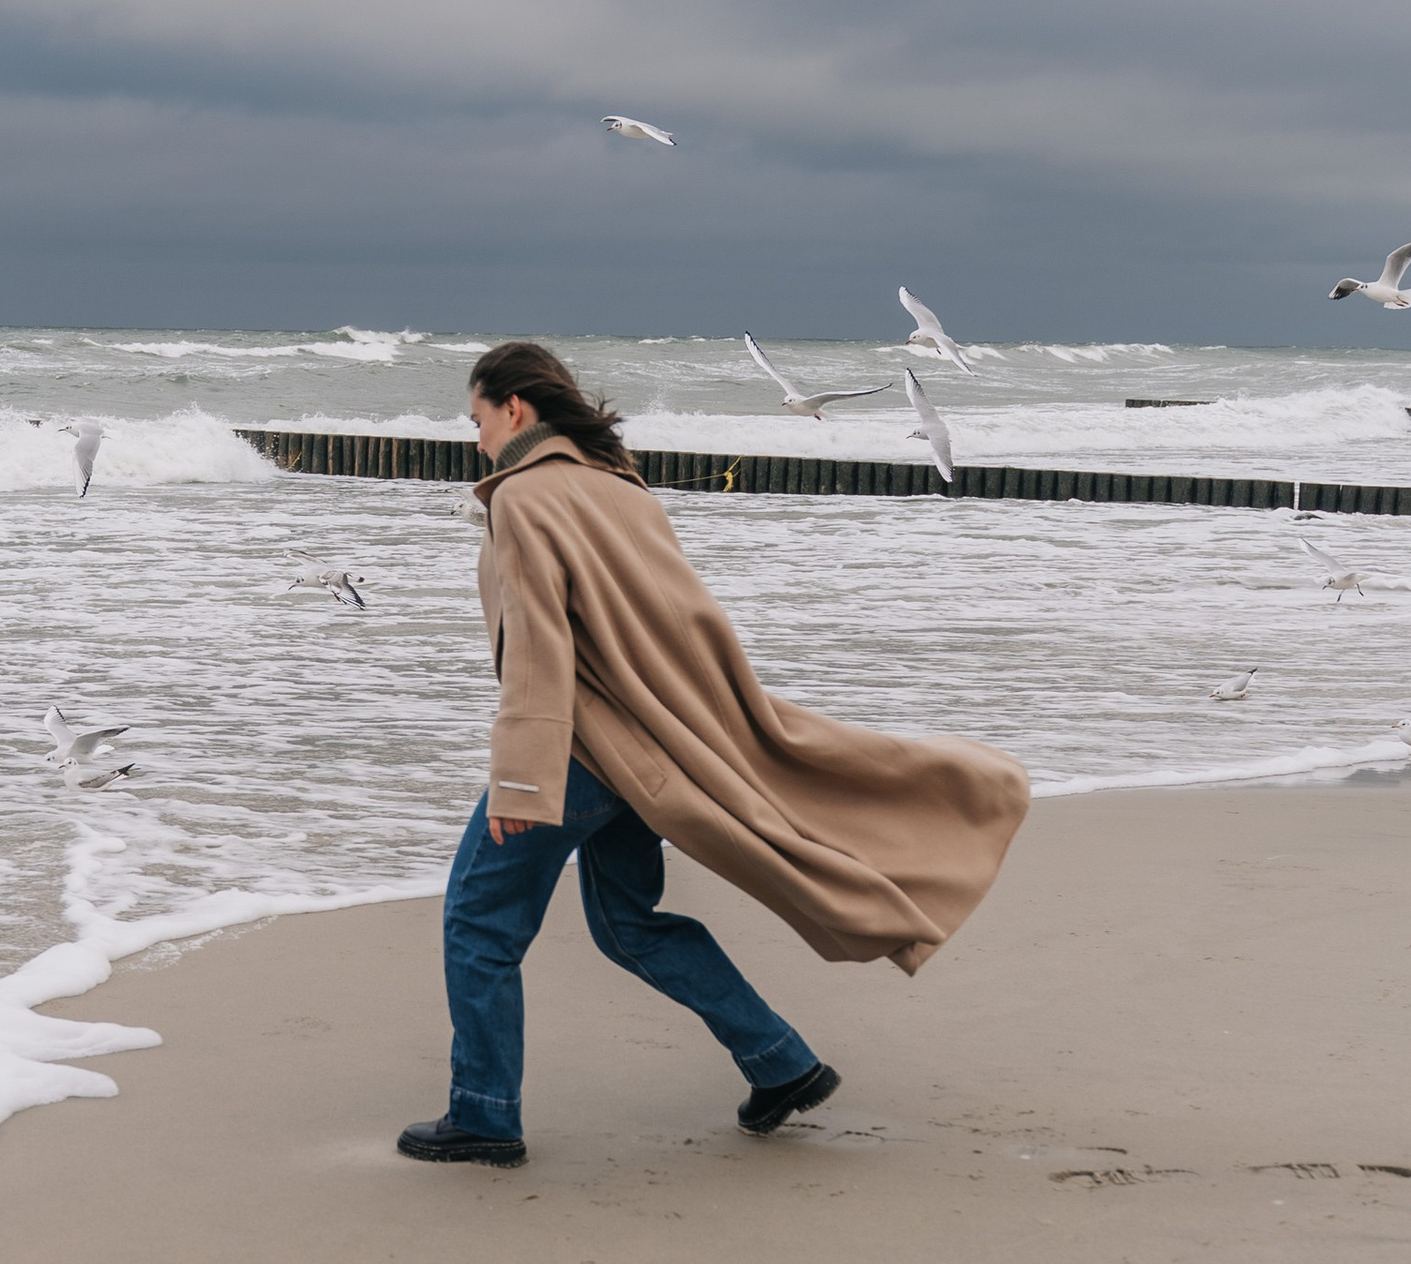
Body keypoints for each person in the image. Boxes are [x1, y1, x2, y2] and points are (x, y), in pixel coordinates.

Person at [398, 339, 1030, 1168]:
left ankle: (483, 1114)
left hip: (581, 750)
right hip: (649, 751)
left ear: (514, 409)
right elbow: (685, 620)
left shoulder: (522, 495)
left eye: (476, 417)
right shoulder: (619, 484)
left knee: (478, 920)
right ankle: (781, 1065)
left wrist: (522, 782)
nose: (475, 436)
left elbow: (539, 650)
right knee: (631, 925)